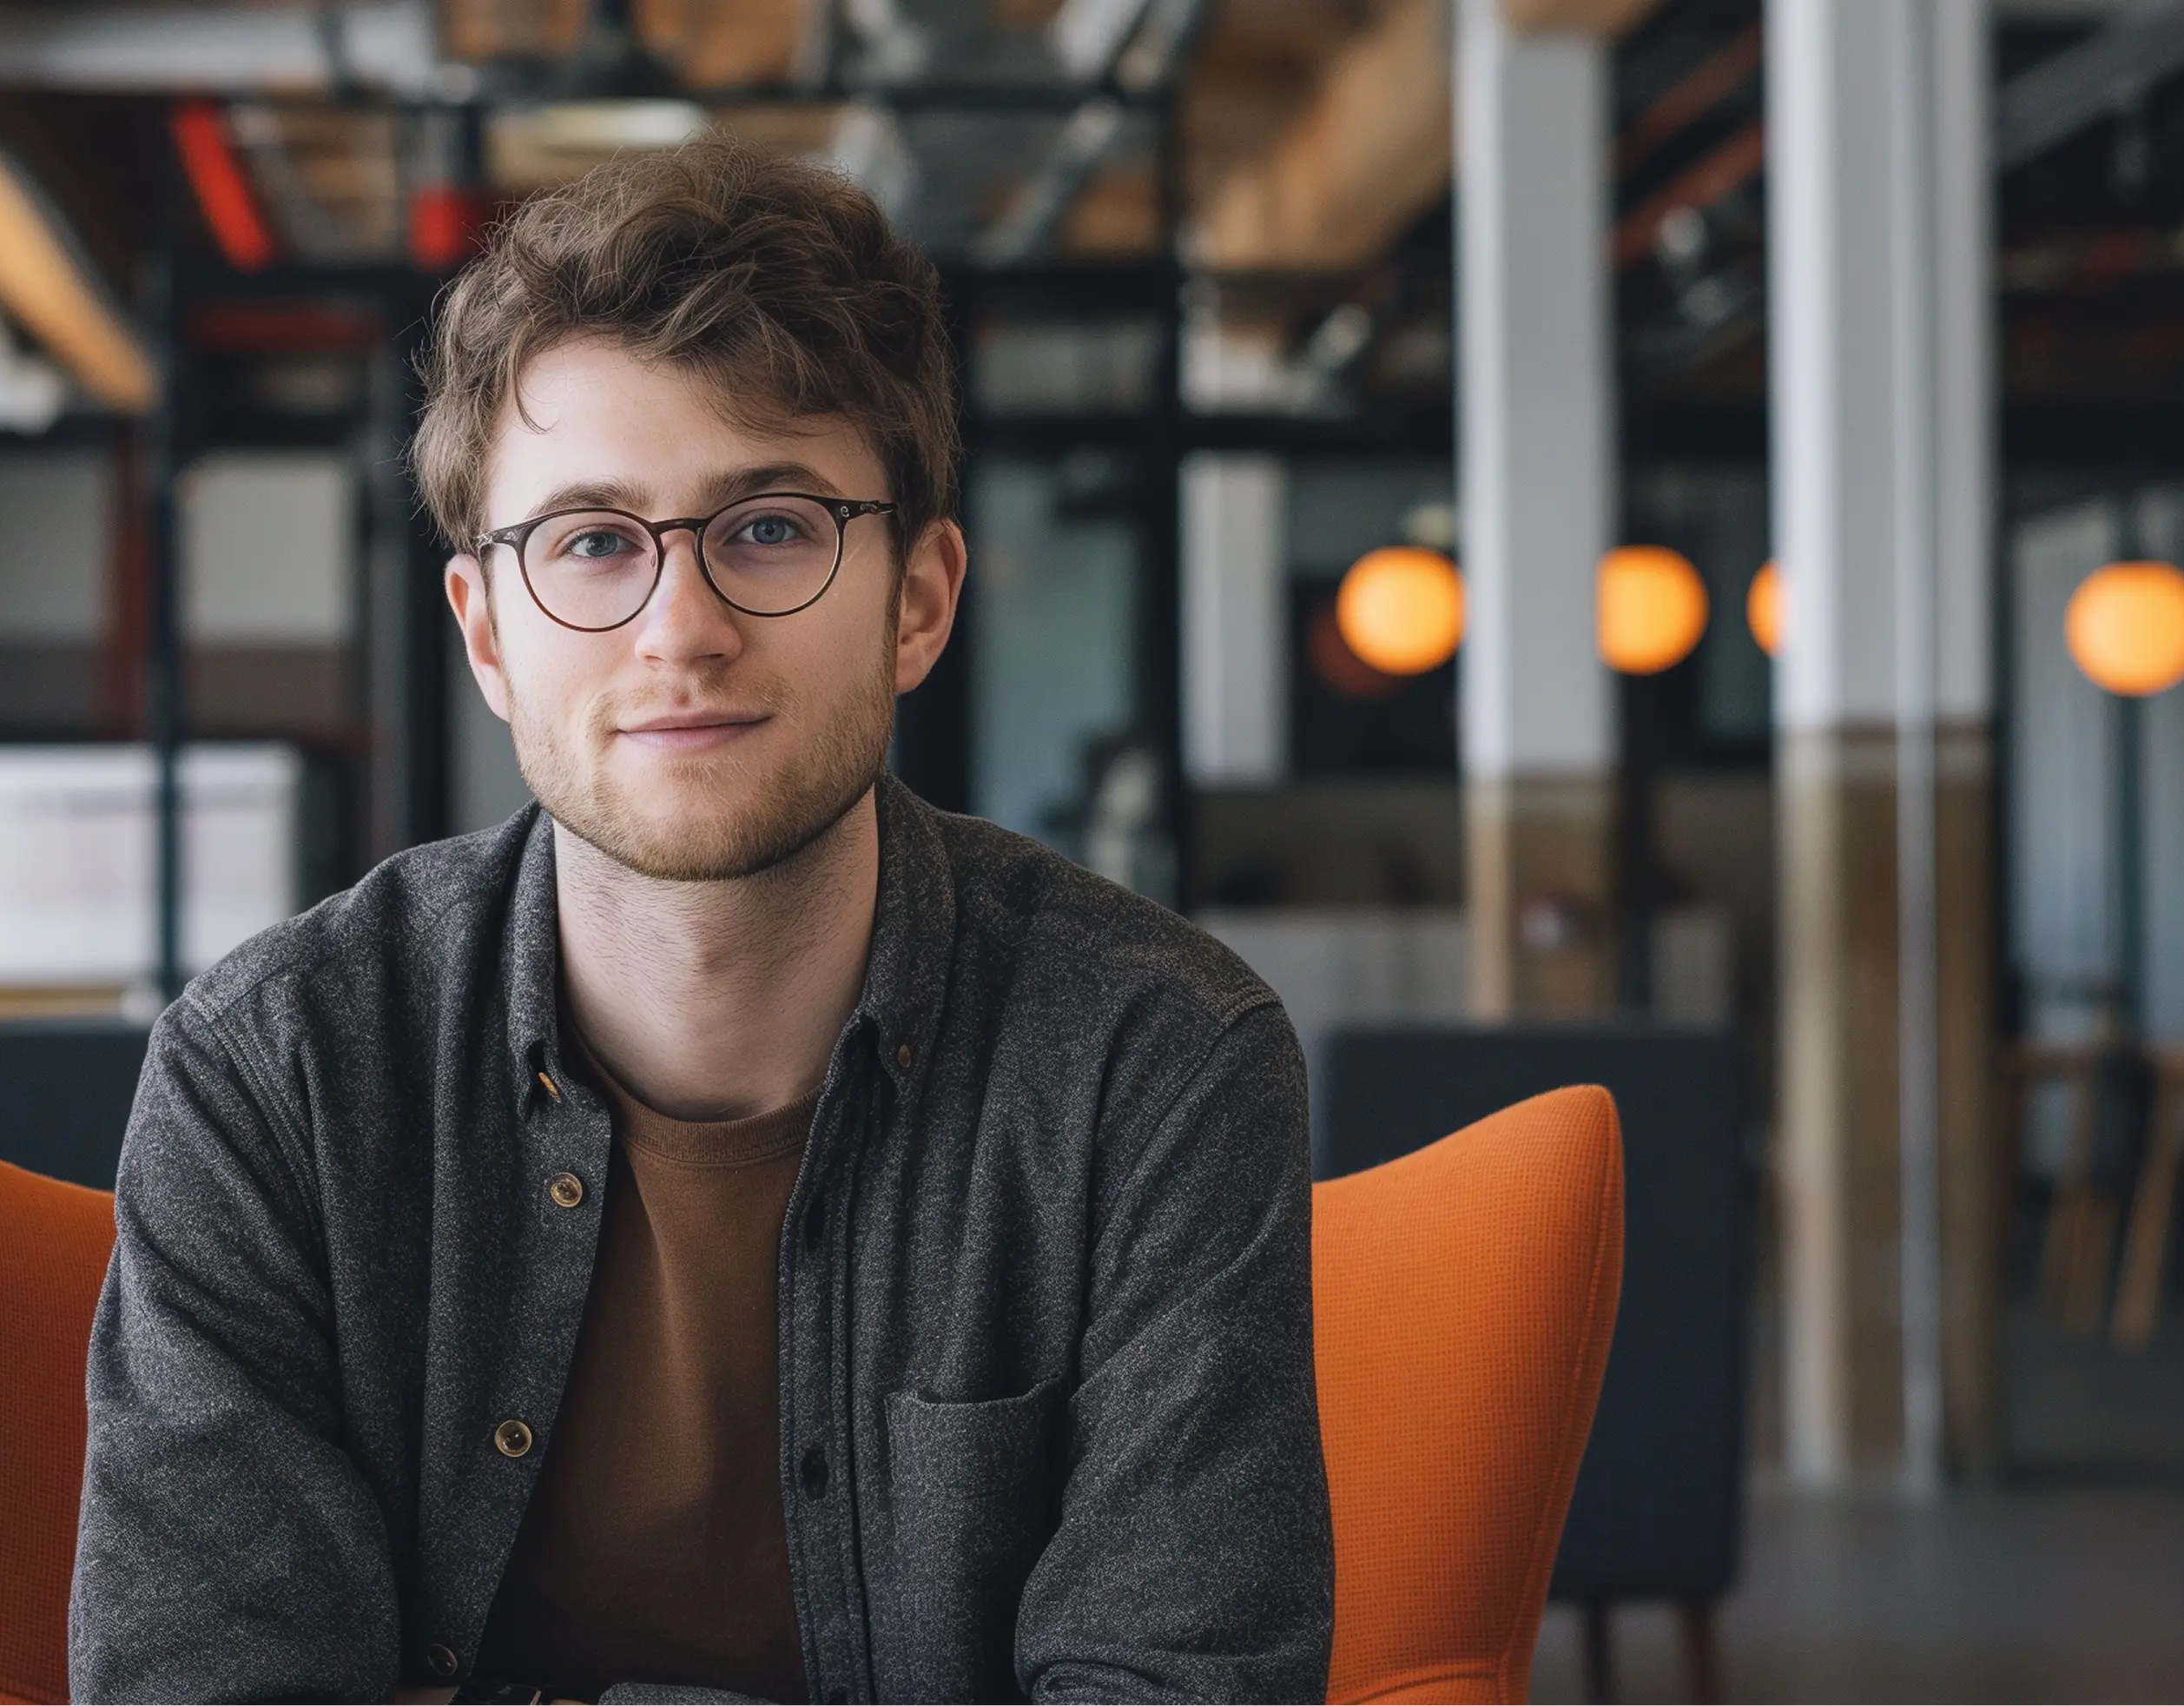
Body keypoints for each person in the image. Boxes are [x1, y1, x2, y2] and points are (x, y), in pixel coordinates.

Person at [70, 139, 1330, 1706]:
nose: (682, 628)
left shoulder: (1155, 1065)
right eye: (593, 542)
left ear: (920, 601)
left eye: (773, 526)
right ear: (486, 633)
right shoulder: (279, 1075)